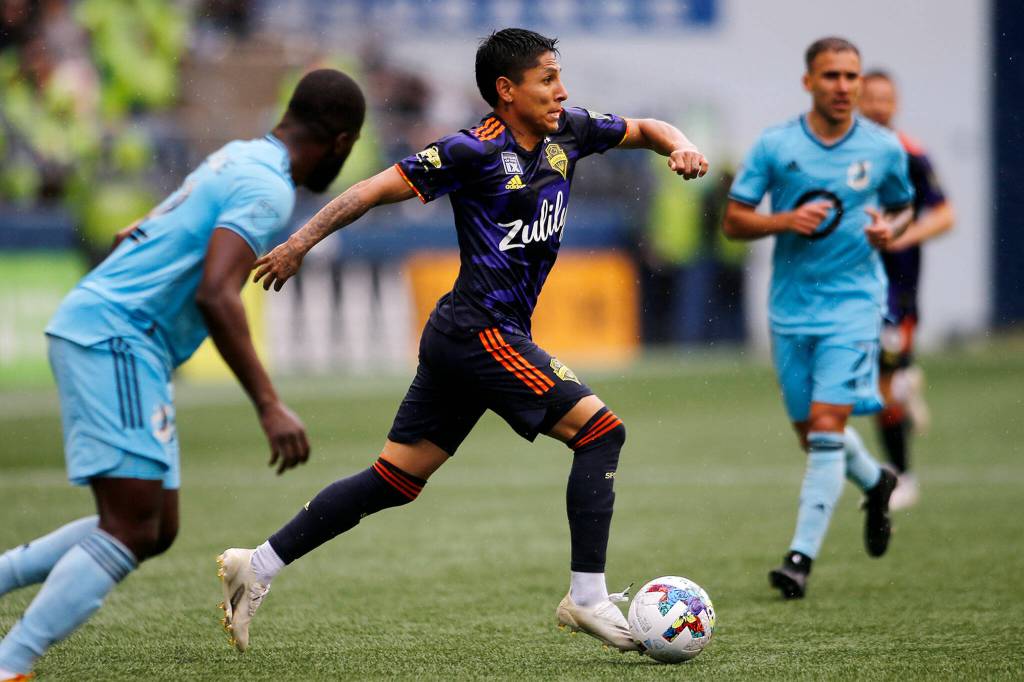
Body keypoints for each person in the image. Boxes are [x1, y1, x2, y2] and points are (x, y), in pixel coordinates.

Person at [216, 28, 708, 655]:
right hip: (480, 333)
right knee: (601, 433)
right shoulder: (471, 151)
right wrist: (296, 244)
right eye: (548, 79)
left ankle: (255, 566)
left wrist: (682, 146)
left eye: (560, 76)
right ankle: (586, 598)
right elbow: (371, 190)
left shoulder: (569, 132)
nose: (563, 91)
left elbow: (645, 128)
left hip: (468, 334)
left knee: (394, 480)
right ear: (507, 91)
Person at [0, 69, 365, 680]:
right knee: (130, 524)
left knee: (155, 526)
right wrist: (270, 404)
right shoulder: (267, 187)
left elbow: (155, 225)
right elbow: (217, 296)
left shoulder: (239, 156)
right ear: (341, 141)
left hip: (120, 334)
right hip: (119, 336)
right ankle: (11, 663)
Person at [721, 37, 915, 600]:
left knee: (829, 427)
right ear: (808, 82)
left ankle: (799, 559)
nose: (843, 86)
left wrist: (891, 231)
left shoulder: (883, 149)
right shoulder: (777, 145)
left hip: (854, 304)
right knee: (812, 436)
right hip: (790, 309)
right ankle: (877, 480)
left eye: (851, 76)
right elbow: (734, 222)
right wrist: (784, 221)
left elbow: (903, 207)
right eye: (831, 76)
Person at [858, 70, 955, 510]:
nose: (878, 106)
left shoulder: (910, 155)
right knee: (875, 383)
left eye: (885, 98)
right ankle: (907, 381)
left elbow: (944, 215)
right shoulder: (844, 155)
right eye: (870, 98)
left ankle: (903, 476)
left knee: (883, 386)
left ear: (895, 103)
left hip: (896, 291)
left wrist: (902, 235)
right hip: (849, 286)